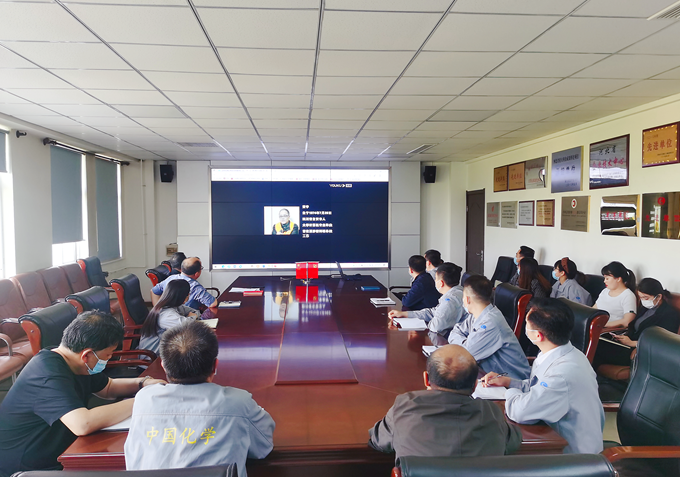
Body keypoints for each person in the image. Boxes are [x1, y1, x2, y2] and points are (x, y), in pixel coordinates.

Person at [0, 311, 165, 477]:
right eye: (108, 355)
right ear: (86, 355)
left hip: (59, 451)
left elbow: (108, 387)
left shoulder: (74, 362)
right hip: (27, 468)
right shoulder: (46, 372)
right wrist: (143, 400)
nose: (108, 359)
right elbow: (82, 424)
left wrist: (143, 383)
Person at [125, 321, 275, 477]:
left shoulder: (145, 399)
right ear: (215, 366)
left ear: (164, 366)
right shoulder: (238, 403)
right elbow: (264, 445)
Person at [482, 298, 604, 454]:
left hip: (573, 455)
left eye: (527, 324)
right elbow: (538, 387)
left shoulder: (562, 374)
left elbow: (521, 412)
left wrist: (509, 392)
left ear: (538, 335)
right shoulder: (561, 352)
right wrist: (509, 382)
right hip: (554, 435)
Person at [368, 344, 521, 461]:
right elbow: (513, 440)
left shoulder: (406, 406)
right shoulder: (491, 412)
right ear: (475, 385)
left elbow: (378, 439)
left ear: (426, 379)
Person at [448, 275, 530, 380]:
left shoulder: (491, 322)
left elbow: (465, 355)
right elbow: (455, 331)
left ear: (467, 299)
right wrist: (465, 343)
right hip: (488, 375)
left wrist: (464, 344)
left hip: (511, 382)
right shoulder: (476, 315)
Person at [595, 278, 680, 367]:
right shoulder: (646, 308)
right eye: (641, 297)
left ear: (659, 296)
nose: (643, 301)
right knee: (598, 343)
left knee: (598, 350)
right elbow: (635, 327)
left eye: (645, 298)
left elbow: (663, 342)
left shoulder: (669, 314)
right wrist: (623, 337)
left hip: (641, 351)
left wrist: (634, 343)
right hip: (627, 344)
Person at [389, 262, 465, 336]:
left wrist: (421, 324)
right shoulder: (458, 291)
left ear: (441, 283)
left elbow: (436, 327)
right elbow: (432, 312)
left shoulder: (450, 300)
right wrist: (404, 314)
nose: (435, 281)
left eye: (436, 279)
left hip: (449, 338)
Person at [140, 279, 201, 354]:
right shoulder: (165, 315)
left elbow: (195, 312)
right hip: (154, 356)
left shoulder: (175, 306)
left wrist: (192, 316)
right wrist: (192, 317)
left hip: (167, 350)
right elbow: (187, 326)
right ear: (185, 297)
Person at [151, 257, 217, 310]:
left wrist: (158, 311)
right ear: (197, 273)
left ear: (181, 269)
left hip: (169, 317)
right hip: (188, 318)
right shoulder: (194, 286)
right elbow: (213, 304)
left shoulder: (171, 278)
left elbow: (153, 291)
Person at [594, 261, 637, 327]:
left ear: (618, 279)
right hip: (596, 326)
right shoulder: (605, 291)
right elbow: (593, 309)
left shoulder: (628, 296)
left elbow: (627, 321)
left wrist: (603, 325)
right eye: (604, 278)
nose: (604, 281)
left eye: (607, 278)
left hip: (610, 330)